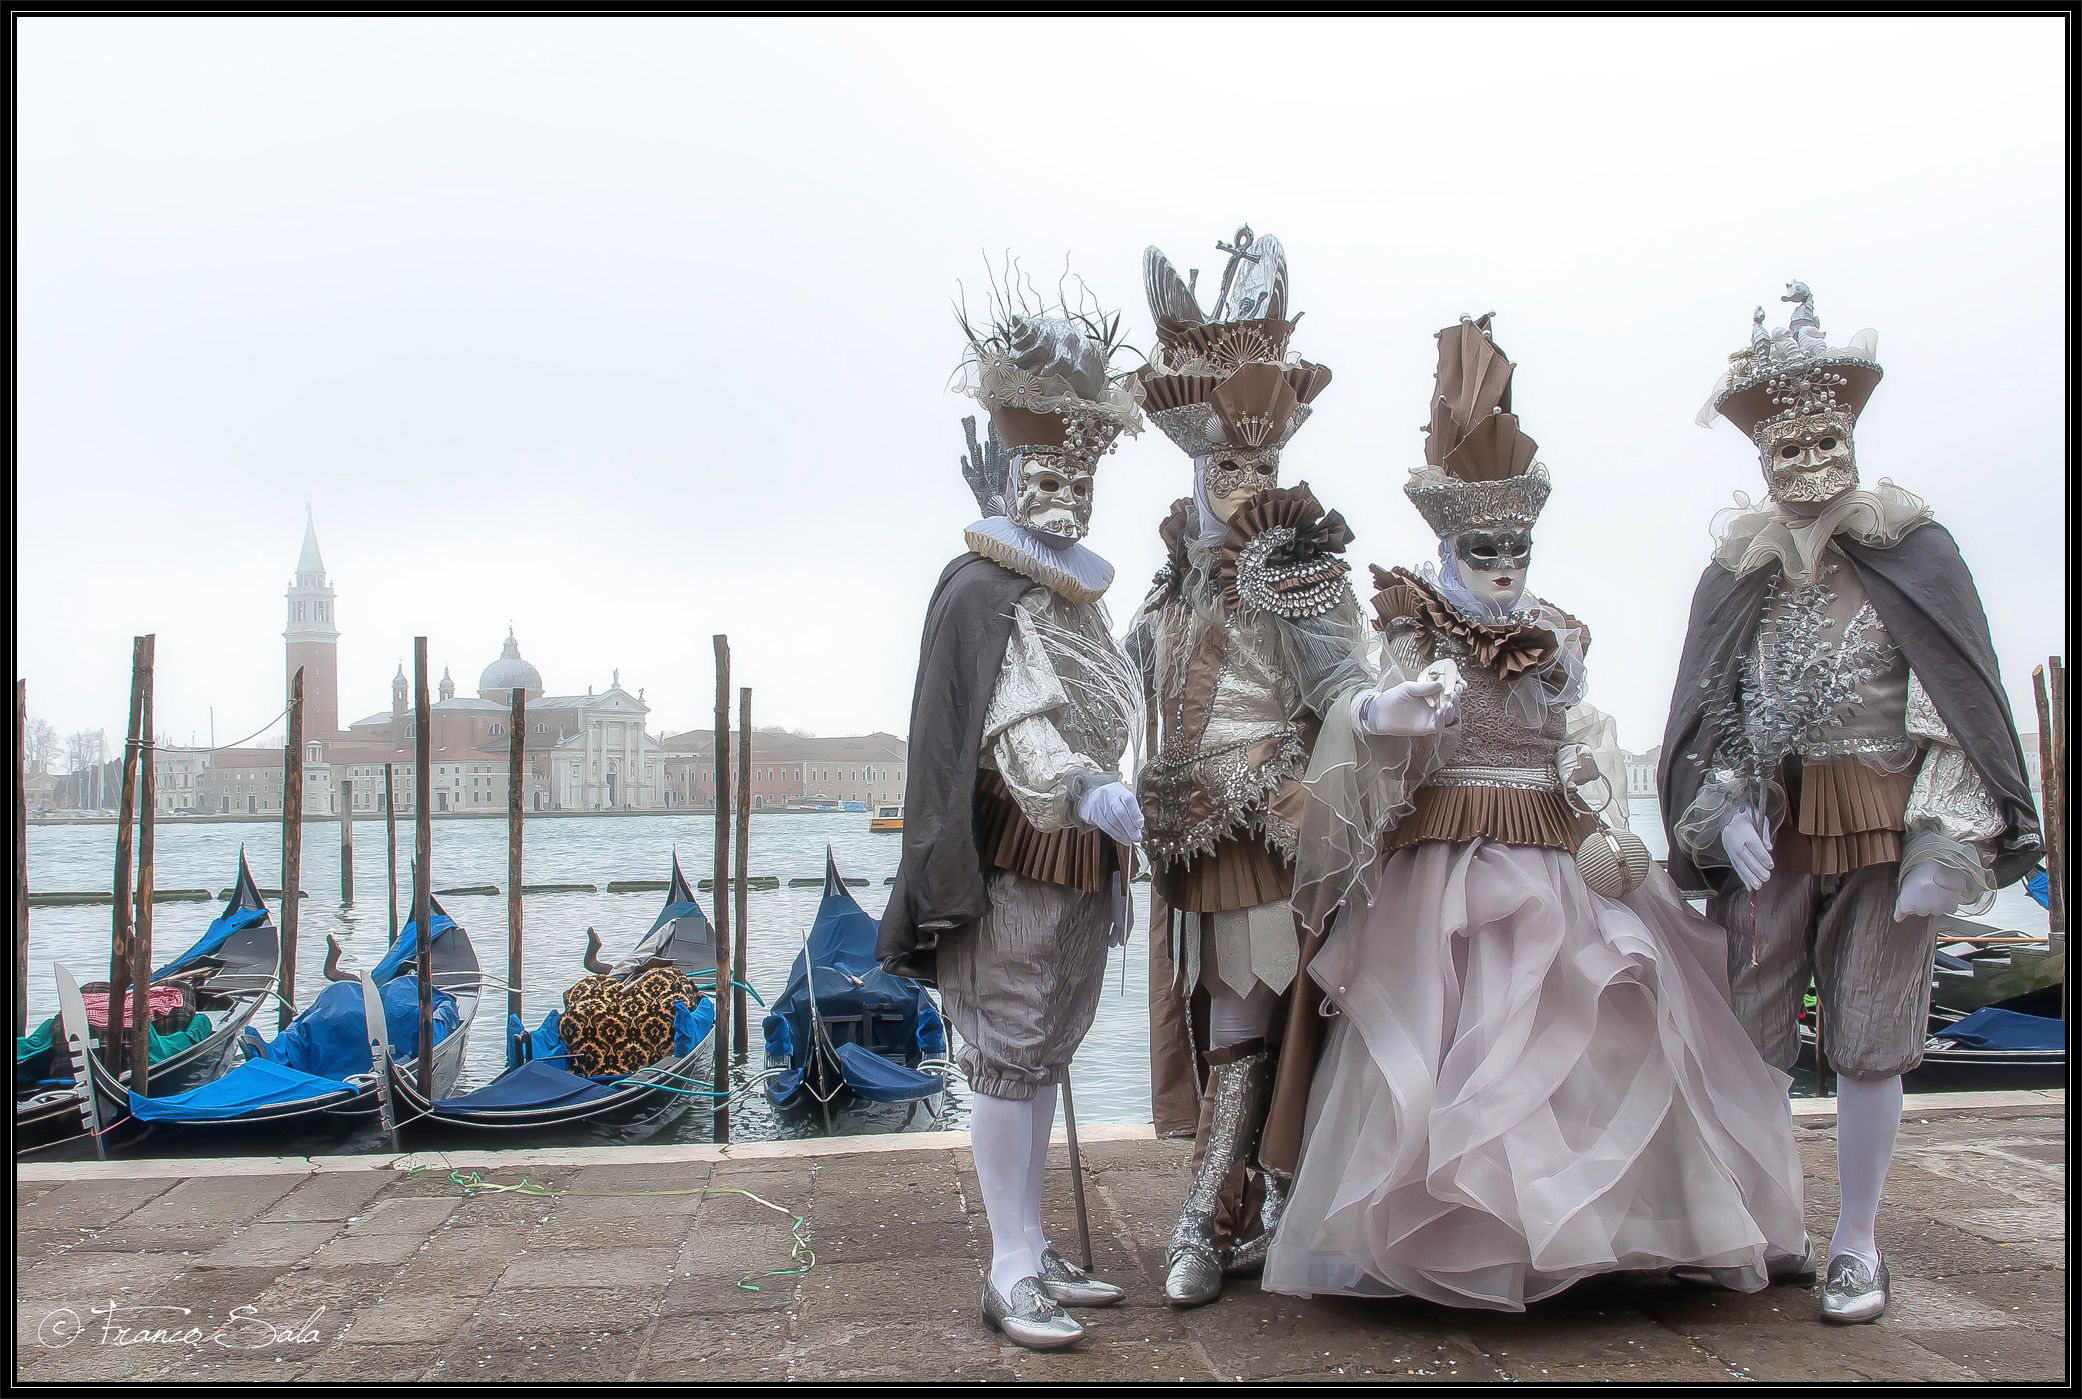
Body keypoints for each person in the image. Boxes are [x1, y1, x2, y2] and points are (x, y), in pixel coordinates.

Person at [1262, 314, 1810, 1311]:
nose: (1508, 562)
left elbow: (1573, 735)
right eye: (1487, 546)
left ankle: (1613, 1228)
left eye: (1519, 545)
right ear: (1446, 543)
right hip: (1447, 862)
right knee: (1467, 1040)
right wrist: (1392, 711)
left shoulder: (1556, 633)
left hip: (1557, 844)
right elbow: (1366, 722)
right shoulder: (1411, 626)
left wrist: (1585, 751)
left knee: (1602, 1015)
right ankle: (1472, 1237)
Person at [1660, 283, 2042, 1323]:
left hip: (1885, 824)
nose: (1809, 465)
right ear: (1762, 460)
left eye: (1826, 440)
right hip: (1769, 833)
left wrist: (1943, 843)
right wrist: (1723, 805)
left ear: (1852, 442)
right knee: (1748, 1028)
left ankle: (1858, 1240)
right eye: (1788, 448)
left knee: (1872, 1030)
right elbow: (1717, 707)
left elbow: (1956, 704)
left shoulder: (1917, 554)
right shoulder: (1737, 573)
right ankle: (1770, 1223)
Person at [875, 281, 1148, 1351]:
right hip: (1018, 856)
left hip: (1082, 859)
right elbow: (1014, 729)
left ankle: (1032, 1245)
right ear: (1009, 473)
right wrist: (1086, 789)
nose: (1067, 494)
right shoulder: (983, 592)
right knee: (1008, 1051)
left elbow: (1106, 700)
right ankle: (1007, 1265)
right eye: (1049, 473)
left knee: (1045, 1050)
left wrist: (1108, 798)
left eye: (1080, 476)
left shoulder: (1078, 593)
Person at [1123, 225, 1371, 1308]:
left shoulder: (1298, 566)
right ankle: (1254, 1201)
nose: (1246, 486)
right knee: (1222, 1016)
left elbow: (1344, 691)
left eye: (1261, 466)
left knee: (1247, 1018)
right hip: (1188, 832)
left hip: (1270, 828)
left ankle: (1215, 1211)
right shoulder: (1169, 581)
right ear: (1194, 465)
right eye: (1227, 465)